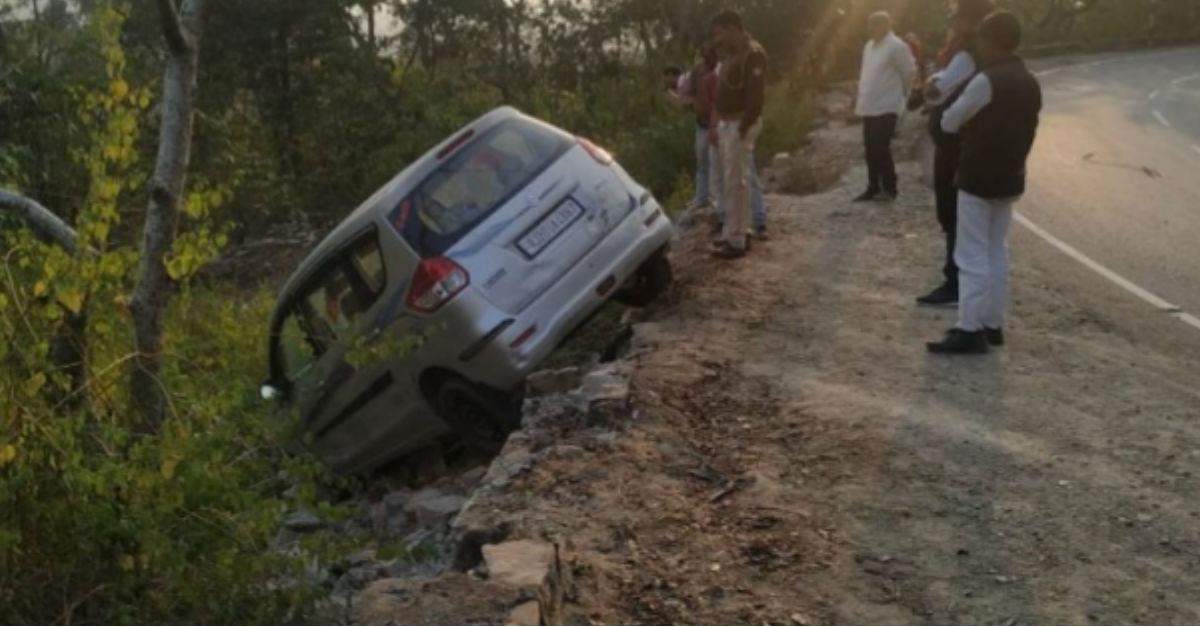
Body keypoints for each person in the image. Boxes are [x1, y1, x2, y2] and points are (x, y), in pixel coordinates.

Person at [927, 10, 1042, 354]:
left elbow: (949, 120)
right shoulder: (1029, 80)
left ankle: (969, 328)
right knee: (996, 251)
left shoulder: (986, 80)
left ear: (990, 42)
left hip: (978, 175)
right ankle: (992, 324)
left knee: (971, 253)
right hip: (1011, 175)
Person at [915, 0, 995, 307]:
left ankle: (955, 281)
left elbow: (936, 90)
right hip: (964, 142)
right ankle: (962, 281)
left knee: (952, 213)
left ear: (969, 20)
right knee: (961, 216)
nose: (951, 23)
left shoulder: (965, 53)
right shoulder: (976, 51)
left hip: (953, 145)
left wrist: (930, 83)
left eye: (956, 17)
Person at [709, 9, 768, 259]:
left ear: (733, 28)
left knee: (736, 183)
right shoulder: (732, 55)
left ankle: (737, 240)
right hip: (727, 124)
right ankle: (734, 233)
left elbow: (756, 100)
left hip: (739, 124)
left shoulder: (752, 55)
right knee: (731, 181)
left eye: (720, 35)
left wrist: (742, 129)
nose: (717, 41)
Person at [853, 11, 917, 203]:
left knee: (881, 147)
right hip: (869, 104)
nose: (870, 29)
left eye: (875, 25)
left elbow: (909, 72)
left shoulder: (897, 46)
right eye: (869, 25)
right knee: (870, 148)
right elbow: (866, 74)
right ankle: (872, 187)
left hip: (888, 104)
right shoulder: (869, 46)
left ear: (886, 26)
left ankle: (890, 188)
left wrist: (903, 96)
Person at [688, 45, 720, 212]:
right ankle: (701, 198)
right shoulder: (696, 74)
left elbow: (716, 102)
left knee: (715, 163)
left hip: (715, 124)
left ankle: (716, 201)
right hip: (701, 123)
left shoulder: (715, 74)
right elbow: (688, 95)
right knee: (702, 162)